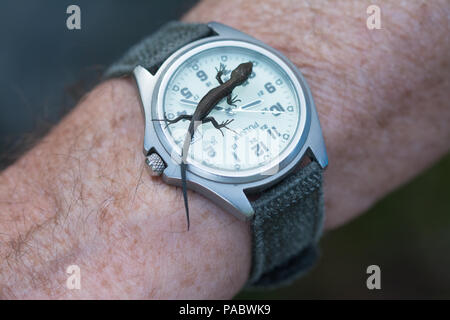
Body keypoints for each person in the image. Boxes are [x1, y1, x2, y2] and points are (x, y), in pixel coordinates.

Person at [0, 0, 448, 299]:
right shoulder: (227, 85)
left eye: (243, 73)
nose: (241, 75)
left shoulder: (229, 79)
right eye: (242, 73)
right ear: (238, 75)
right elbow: (219, 97)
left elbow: (223, 88)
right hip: (193, 117)